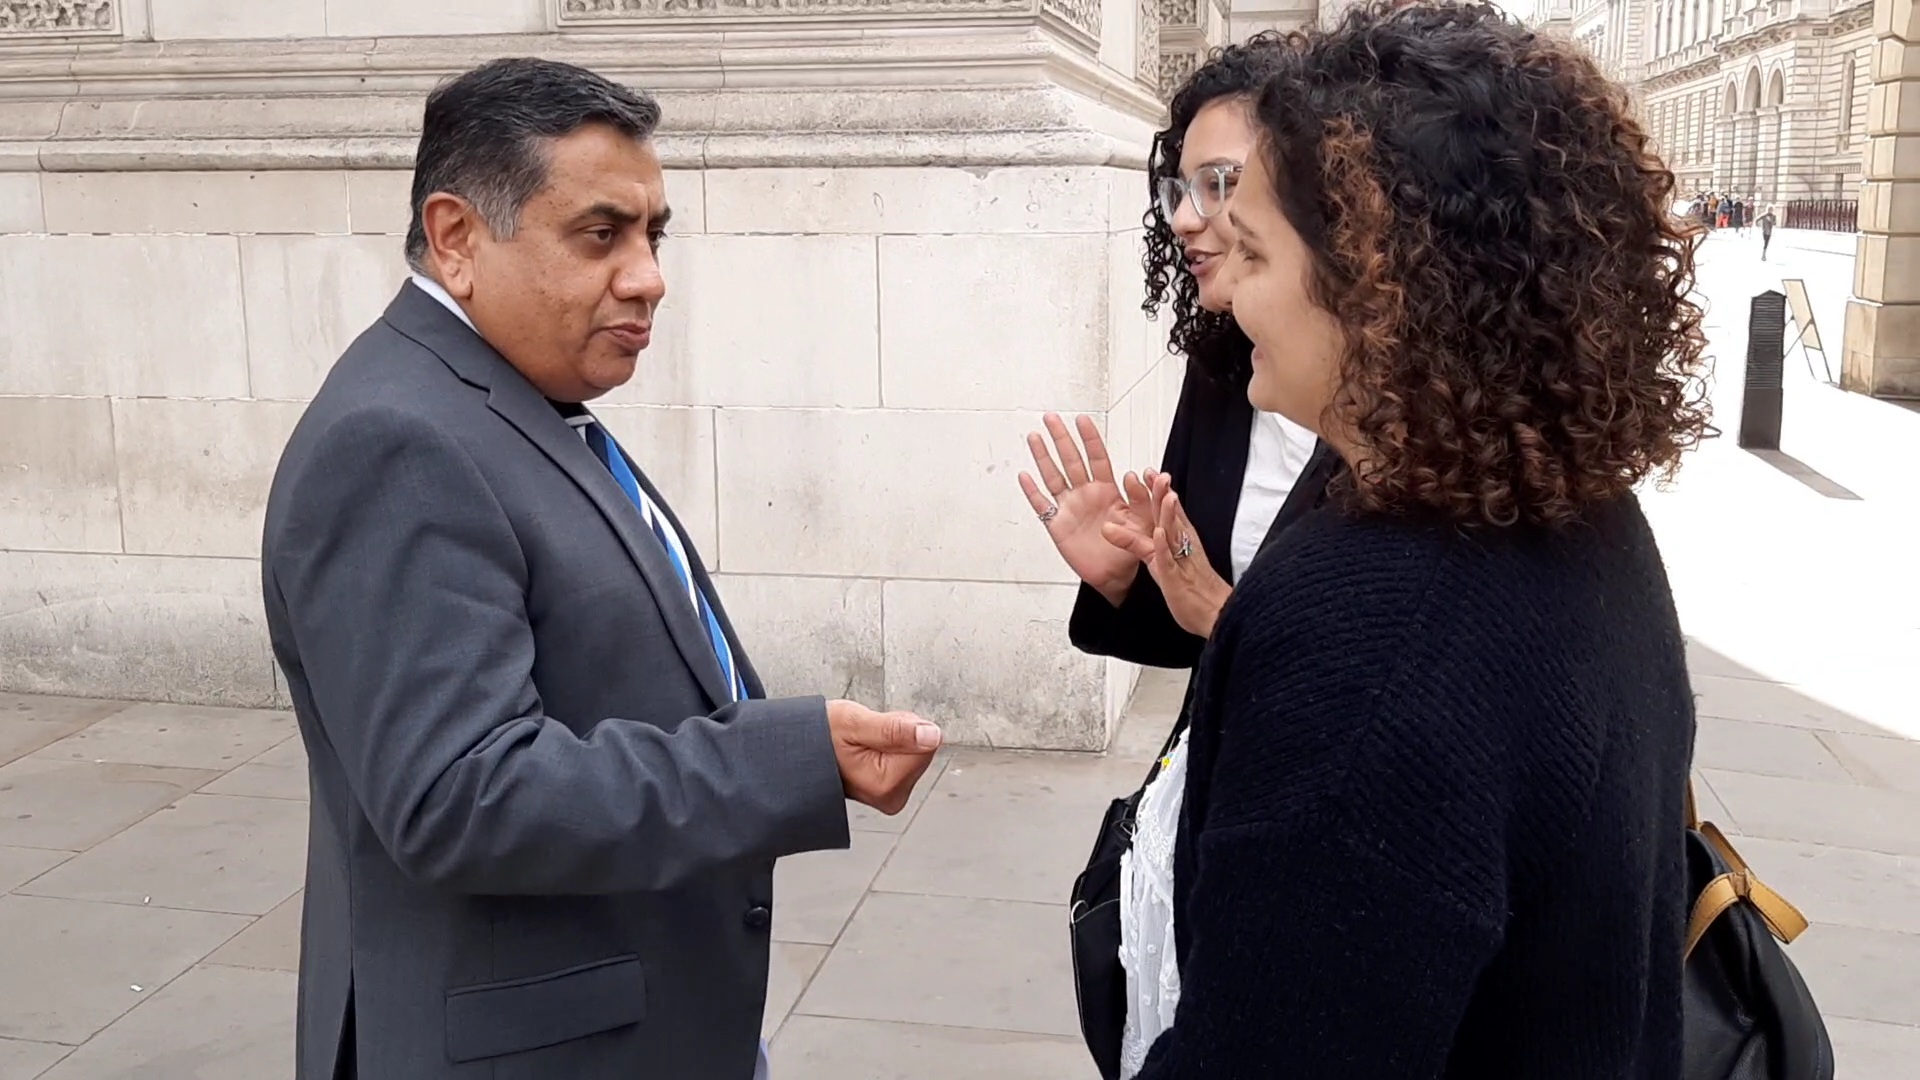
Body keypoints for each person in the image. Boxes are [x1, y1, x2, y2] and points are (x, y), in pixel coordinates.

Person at [261, 58, 943, 1080]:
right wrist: (781, 760)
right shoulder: (398, 439)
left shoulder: (512, 399)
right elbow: (462, 792)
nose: (648, 276)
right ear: (456, 239)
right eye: (601, 234)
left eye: (653, 234)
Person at [1118, 4, 1708, 1077]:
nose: (1232, 293)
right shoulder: (1574, 506)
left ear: (1379, 287)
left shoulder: (1373, 637)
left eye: (1254, 251)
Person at [1018, 36, 1330, 668]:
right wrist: (1127, 579)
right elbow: (1192, 634)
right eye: (1181, 188)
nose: (1185, 218)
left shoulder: (1411, 419)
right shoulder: (1224, 366)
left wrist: (1222, 612)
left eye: (1220, 184)